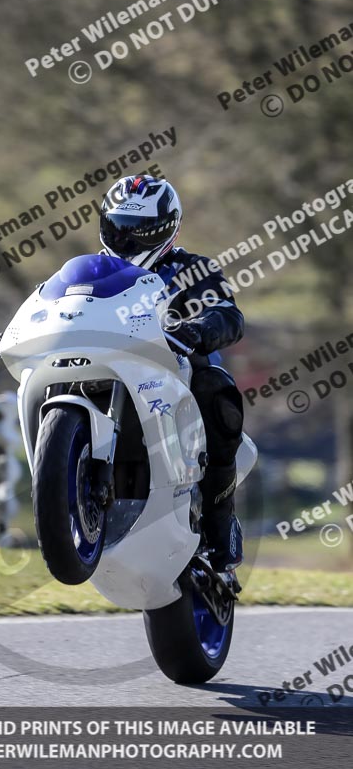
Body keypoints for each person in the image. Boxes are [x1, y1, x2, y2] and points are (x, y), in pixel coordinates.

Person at [99, 173, 245, 572]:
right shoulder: (92, 271)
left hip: (172, 372)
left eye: (141, 231)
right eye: (119, 228)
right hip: (105, 367)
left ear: (169, 230)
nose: (128, 240)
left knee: (216, 389)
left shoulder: (191, 270)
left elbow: (228, 315)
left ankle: (220, 522)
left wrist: (196, 330)